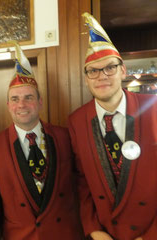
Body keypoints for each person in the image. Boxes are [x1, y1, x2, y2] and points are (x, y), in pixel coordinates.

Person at [0, 42, 82, 240]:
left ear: (40, 102)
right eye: (14, 99)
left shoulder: (65, 137)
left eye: (28, 97)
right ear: (8, 105)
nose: (21, 104)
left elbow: (82, 188)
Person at [69, 12, 157, 240]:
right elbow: (82, 182)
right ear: (86, 78)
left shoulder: (154, 109)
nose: (102, 76)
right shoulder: (76, 121)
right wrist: (94, 230)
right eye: (93, 71)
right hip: (107, 234)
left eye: (110, 67)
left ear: (123, 70)